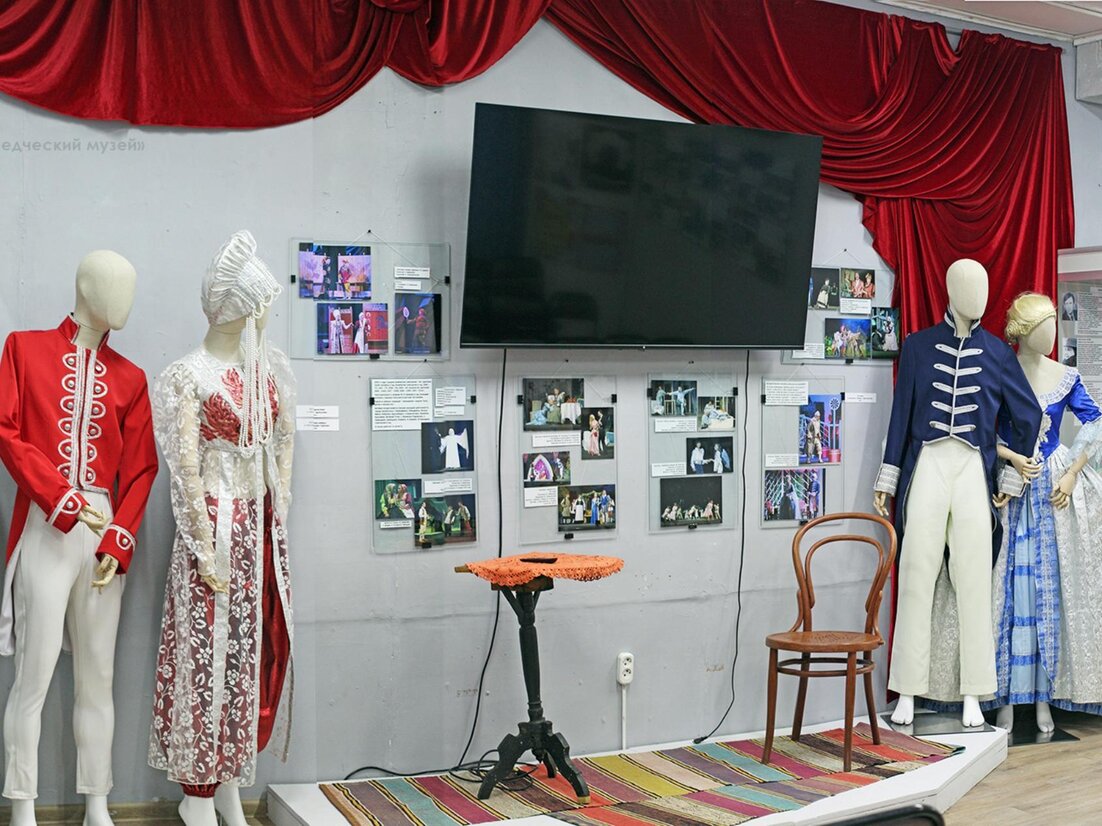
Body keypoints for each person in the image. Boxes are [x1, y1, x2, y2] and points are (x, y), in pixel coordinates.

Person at [149, 231, 295, 825]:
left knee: (248, 654)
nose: (267, 314)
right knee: (203, 653)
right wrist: (205, 548)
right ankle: (197, 794)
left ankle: (229, 779)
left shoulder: (267, 370)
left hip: (257, 530)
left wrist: (277, 511)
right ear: (240, 308)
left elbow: (283, 441)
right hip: (213, 526)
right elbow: (184, 468)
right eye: (261, 303)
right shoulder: (187, 375)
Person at [924, 293, 1102, 731]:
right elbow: (978, 428)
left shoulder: (1066, 376)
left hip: (1053, 486)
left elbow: (1096, 421)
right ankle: (1001, 694)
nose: (1053, 333)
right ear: (1024, 332)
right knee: (1003, 588)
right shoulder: (1000, 369)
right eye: (1044, 325)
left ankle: (1043, 697)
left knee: (1049, 590)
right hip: (1006, 487)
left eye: (1053, 323)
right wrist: (1008, 457)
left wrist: (1072, 473)